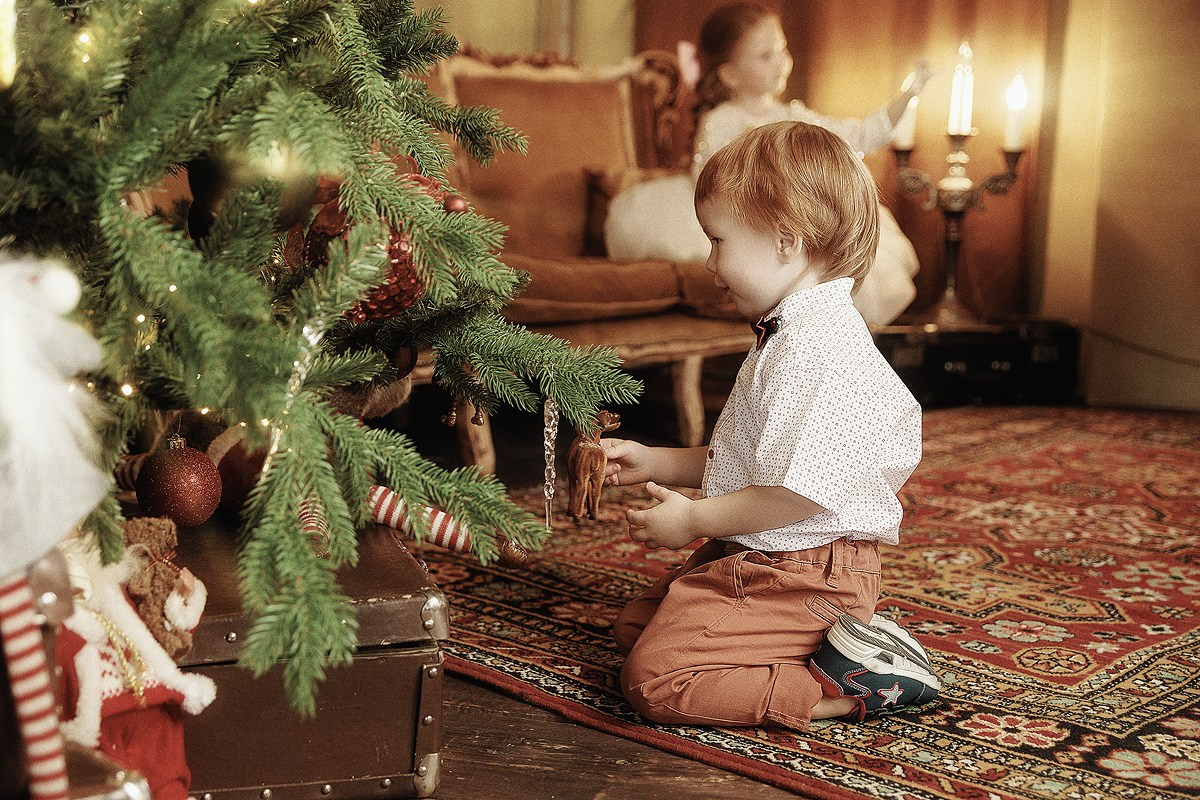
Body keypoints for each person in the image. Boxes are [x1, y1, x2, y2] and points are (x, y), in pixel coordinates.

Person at [601, 120, 941, 729]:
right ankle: (832, 646)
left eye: (719, 241)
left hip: (807, 570)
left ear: (785, 242)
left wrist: (692, 519)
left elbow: (794, 493)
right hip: (765, 549)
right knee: (632, 630)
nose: (709, 262)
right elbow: (750, 460)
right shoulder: (787, 333)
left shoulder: (819, 350)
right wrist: (657, 461)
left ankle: (852, 684)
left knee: (654, 680)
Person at [604, 1, 931, 326]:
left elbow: (855, 137)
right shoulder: (722, 121)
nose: (781, 63)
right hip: (744, 216)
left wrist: (907, 96)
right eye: (765, 56)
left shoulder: (792, 116)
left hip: (786, 218)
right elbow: (712, 181)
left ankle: (833, 340)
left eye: (782, 50)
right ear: (729, 74)